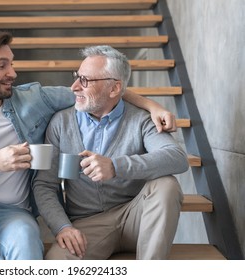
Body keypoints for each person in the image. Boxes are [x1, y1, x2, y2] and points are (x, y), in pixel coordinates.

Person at [0, 30, 179, 260]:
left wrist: (150, 105)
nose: (13, 72)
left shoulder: (33, 98)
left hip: (12, 217)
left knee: (29, 249)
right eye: (2, 65)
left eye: (12, 63)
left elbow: (93, 92)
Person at [33, 45, 189, 260]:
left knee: (166, 185)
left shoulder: (142, 119)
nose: (75, 86)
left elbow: (177, 157)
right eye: (77, 77)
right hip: (87, 225)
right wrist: (62, 227)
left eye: (85, 80)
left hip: (137, 217)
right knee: (56, 264)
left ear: (114, 88)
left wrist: (116, 167)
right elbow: (44, 185)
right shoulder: (61, 123)